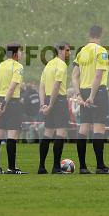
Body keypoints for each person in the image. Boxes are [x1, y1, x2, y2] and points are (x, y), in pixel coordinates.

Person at [72, 25, 109, 174]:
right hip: (97, 92)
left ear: (89, 34)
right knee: (99, 129)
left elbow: (74, 76)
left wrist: (79, 95)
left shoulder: (81, 52)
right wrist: (92, 96)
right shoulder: (101, 51)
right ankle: (100, 166)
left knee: (83, 128)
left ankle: (82, 167)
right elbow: (98, 75)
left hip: (83, 91)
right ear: (101, 34)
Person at [0, 44, 25, 174]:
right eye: (20, 52)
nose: (21, 54)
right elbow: (11, 87)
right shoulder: (18, 66)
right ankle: (11, 168)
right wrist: (5, 103)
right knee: (12, 135)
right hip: (11, 102)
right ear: (15, 54)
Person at [38, 42, 71, 174]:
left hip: (47, 99)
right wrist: (51, 105)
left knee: (47, 133)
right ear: (60, 51)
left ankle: (41, 167)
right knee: (60, 134)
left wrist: (43, 104)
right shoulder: (61, 65)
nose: (69, 53)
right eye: (67, 50)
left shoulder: (48, 65)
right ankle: (56, 167)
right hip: (58, 101)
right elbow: (57, 86)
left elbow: (41, 86)